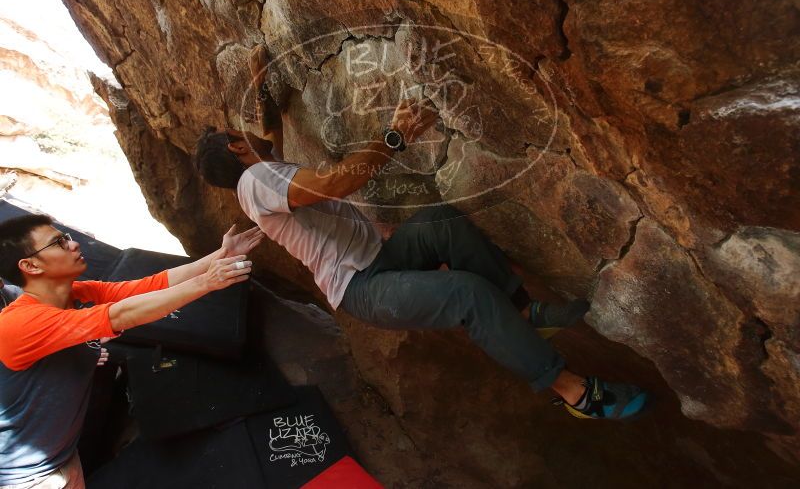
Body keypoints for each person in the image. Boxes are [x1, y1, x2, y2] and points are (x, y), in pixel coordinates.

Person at [194, 45, 648, 423]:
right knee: (469, 295)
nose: (250, 134)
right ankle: (574, 392)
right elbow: (335, 183)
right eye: (239, 135)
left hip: (380, 259)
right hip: (362, 288)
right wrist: (395, 136)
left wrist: (259, 80)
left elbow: (265, 132)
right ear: (237, 148)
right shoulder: (256, 182)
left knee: (439, 221)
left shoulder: (259, 175)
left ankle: (524, 314)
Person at [0, 215, 262, 488]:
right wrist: (207, 282)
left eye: (66, 237)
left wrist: (219, 255)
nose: (74, 244)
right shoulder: (20, 323)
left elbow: (148, 286)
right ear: (30, 265)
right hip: (25, 479)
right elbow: (123, 314)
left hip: (61, 460)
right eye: (59, 243)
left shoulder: (73, 294)